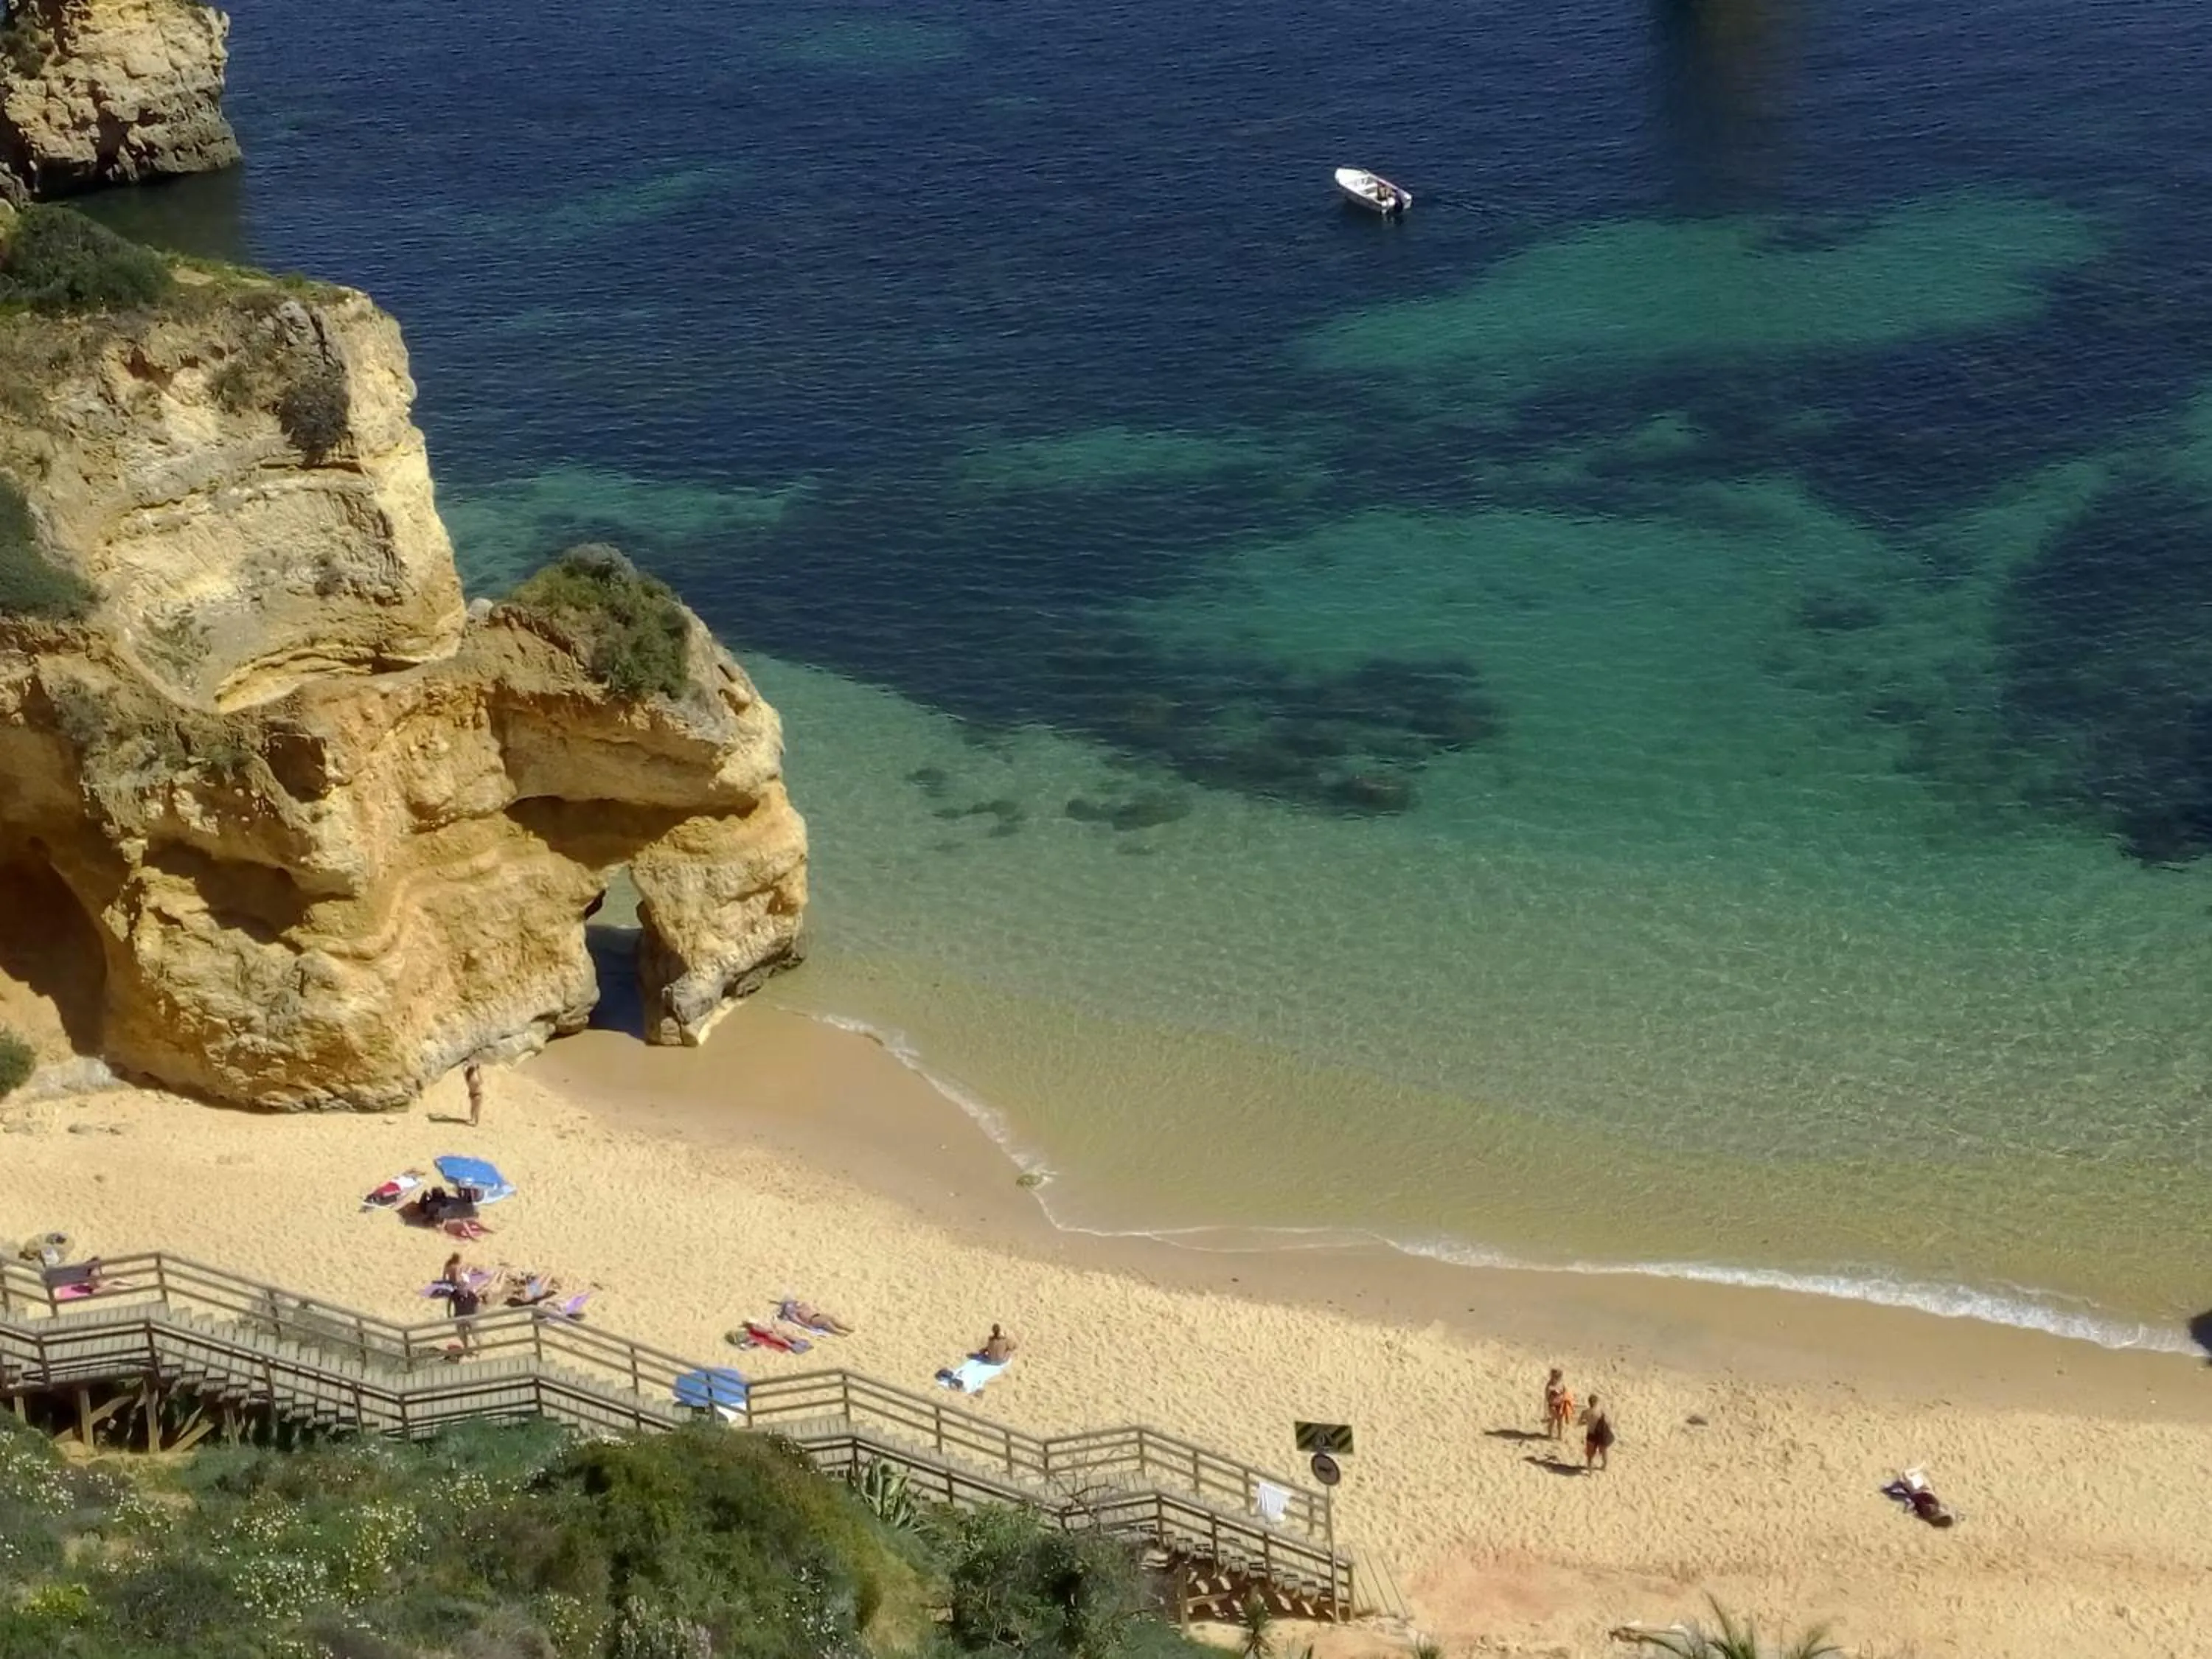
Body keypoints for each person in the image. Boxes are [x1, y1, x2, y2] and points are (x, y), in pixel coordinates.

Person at [1579, 1393, 1615, 1472]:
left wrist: (1587, 1422)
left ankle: (1590, 1471)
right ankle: (1604, 1466)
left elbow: (1579, 1423)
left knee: (1590, 1455)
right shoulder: (1601, 1412)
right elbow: (1609, 1423)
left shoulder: (1585, 1412)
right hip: (1600, 1434)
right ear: (1596, 1402)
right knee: (1604, 1452)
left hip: (1591, 1434)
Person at [1543, 1367, 1575, 1440]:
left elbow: (1565, 1392)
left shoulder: (1561, 1384)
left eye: (1558, 1377)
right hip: (1552, 1405)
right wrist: (1545, 1410)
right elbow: (1546, 1398)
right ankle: (1550, 1434)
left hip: (1560, 1404)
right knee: (1553, 1419)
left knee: (1560, 1420)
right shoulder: (1549, 1386)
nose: (1556, 1379)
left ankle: (1560, 1435)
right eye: (1555, 1377)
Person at [465, 1061, 484, 1127]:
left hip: (471, 1093)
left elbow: (464, 1071)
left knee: (473, 1107)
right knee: (477, 1109)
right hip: (478, 1094)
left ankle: (472, 1118)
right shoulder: (475, 1080)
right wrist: (478, 1071)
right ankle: (476, 1122)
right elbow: (481, 1081)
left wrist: (468, 1065)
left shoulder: (467, 1078)